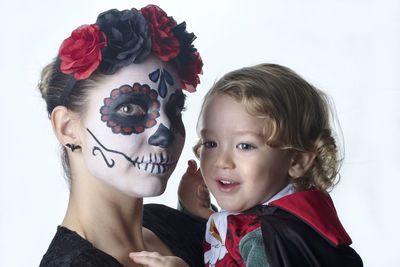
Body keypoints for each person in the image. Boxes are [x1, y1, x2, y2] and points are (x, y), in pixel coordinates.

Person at [134, 63, 364, 266]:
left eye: (244, 146)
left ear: (297, 160)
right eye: (211, 143)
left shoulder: (269, 242)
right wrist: (196, 214)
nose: (222, 161)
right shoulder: (271, 223)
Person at [38, 4, 205, 267]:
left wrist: (217, 227)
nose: (166, 134)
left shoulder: (171, 223)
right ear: (67, 127)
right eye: (129, 108)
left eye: (174, 110)